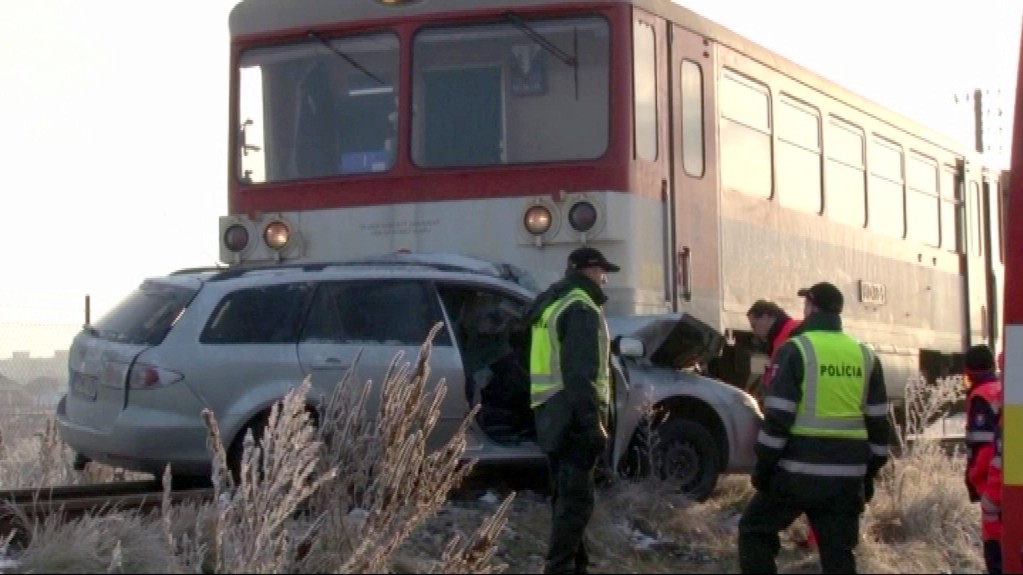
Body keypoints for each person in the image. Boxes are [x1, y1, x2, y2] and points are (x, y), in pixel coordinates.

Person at [738, 282, 890, 574]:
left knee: (754, 530)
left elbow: (777, 419)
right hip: (846, 479)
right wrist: (868, 474)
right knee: (839, 555)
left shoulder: (797, 350)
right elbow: (879, 426)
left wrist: (764, 468)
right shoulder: (865, 355)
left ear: (811, 308)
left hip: (797, 474)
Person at [525, 246, 618, 575]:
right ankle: (560, 567)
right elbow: (581, 373)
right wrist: (594, 423)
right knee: (575, 504)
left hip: (550, 413)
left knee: (565, 500)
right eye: (601, 271)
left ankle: (576, 566)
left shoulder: (550, 302)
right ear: (588, 270)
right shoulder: (580, 307)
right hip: (574, 417)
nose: (604, 278)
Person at [746, 300, 815, 549]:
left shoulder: (791, 335)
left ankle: (811, 541)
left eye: (755, 325)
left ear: (768, 316)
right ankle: (812, 540)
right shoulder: (785, 336)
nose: (755, 332)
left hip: (802, 423)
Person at [963, 344, 1003, 574]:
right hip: (1007, 491)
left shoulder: (981, 397)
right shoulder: (1001, 390)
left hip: (994, 492)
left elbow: (985, 451)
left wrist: (978, 484)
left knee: (996, 556)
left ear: (970, 373)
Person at [746, 300, 801, 398]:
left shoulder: (786, 335)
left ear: (765, 317)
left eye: (754, 326)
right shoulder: (786, 332)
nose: (755, 332)